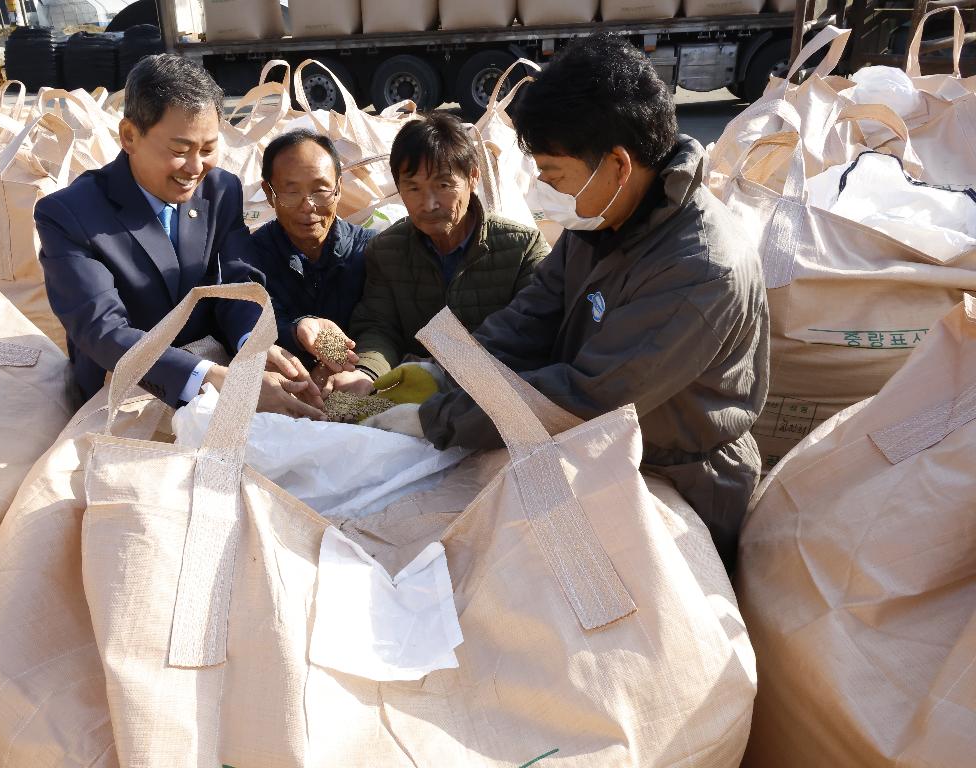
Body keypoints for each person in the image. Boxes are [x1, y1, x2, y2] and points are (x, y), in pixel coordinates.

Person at [412, 34, 769, 572]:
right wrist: (448, 372)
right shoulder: (604, 217)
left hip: (678, 480)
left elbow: (585, 396)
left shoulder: (699, 272)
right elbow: (534, 313)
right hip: (605, 451)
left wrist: (435, 420)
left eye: (553, 175)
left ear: (618, 165)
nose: (541, 189)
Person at [35, 54, 324, 419]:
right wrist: (216, 381)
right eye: (179, 150)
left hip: (213, 362)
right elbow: (103, 331)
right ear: (129, 136)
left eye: (207, 149)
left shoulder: (220, 190)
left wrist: (252, 344)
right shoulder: (70, 215)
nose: (195, 168)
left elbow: (238, 282)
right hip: (124, 391)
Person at [325, 111, 549, 395]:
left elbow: (532, 334)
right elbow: (379, 328)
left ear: (473, 177)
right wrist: (366, 373)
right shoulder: (387, 251)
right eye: (413, 188)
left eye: (443, 185)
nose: (428, 204)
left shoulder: (522, 247)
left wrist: (450, 374)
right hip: (417, 390)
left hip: (501, 395)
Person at [248, 129, 373, 380]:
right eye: (291, 192)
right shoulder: (250, 258)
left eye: (320, 190)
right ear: (269, 193)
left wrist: (360, 369)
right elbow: (253, 324)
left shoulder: (369, 251)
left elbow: (382, 324)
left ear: (338, 188)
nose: (308, 206)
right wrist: (297, 332)